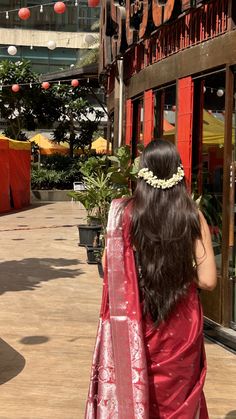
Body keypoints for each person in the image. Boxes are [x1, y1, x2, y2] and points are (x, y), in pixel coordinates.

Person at [85, 139, 217, 419]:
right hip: (181, 326)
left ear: (142, 172)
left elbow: (111, 268)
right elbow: (208, 281)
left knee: (137, 393)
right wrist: (180, 268)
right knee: (179, 400)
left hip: (139, 320)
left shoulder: (124, 215)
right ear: (178, 172)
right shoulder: (192, 215)